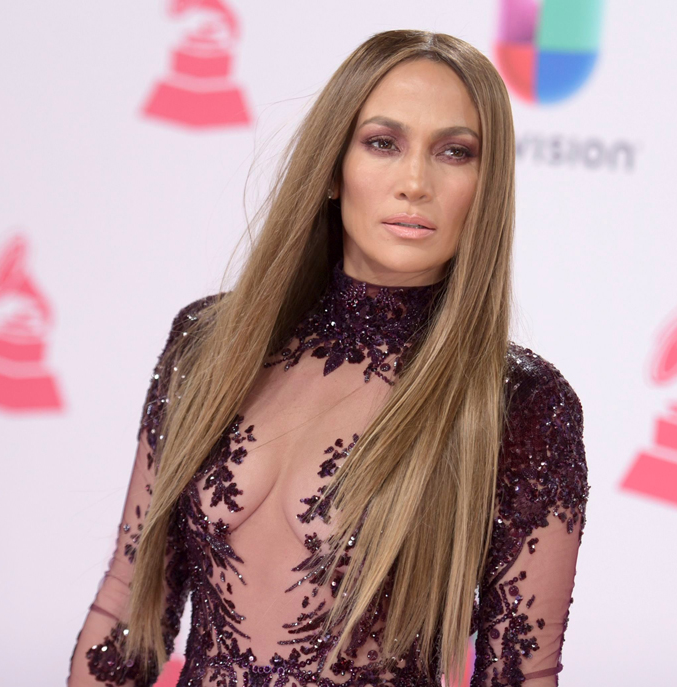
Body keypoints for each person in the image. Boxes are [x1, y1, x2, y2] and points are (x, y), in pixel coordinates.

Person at [67, 29, 588, 687]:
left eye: (455, 152)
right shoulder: (207, 343)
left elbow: (521, 674)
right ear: (334, 168)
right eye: (383, 143)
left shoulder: (524, 403)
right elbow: (126, 610)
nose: (415, 181)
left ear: (487, 187)